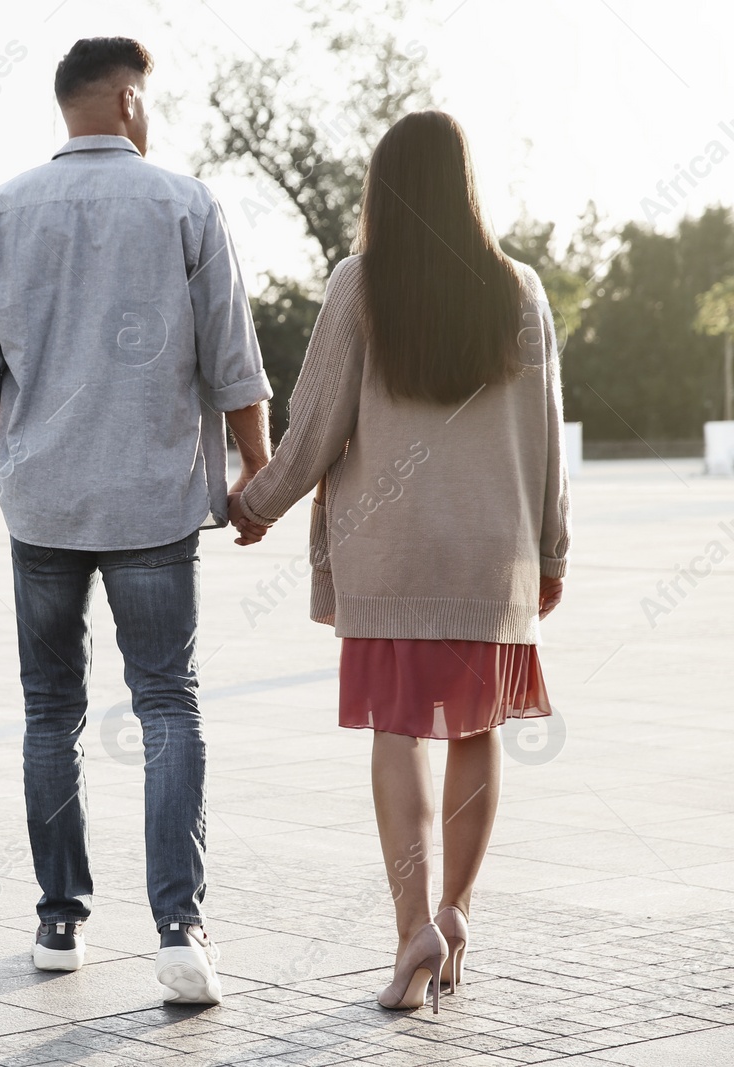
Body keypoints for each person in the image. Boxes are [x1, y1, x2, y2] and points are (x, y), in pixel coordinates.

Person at [0, 37, 273, 1005]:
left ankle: (57, 918)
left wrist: (27, 441)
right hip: (151, 499)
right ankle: (179, 931)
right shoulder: (183, 202)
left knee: (51, 708)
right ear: (128, 100)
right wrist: (256, 469)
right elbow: (232, 357)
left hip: (42, 504)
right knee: (166, 701)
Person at [231, 110, 569, 1013]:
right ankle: (457, 913)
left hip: (395, 556)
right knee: (475, 731)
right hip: (492, 559)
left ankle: (412, 925)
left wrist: (255, 505)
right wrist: (552, 550)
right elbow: (547, 441)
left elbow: (313, 428)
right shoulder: (522, 290)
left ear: (384, 191)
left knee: (399, 735)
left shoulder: (359, 284)